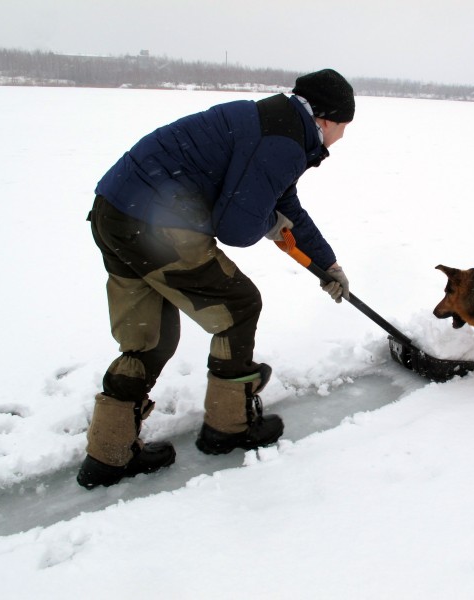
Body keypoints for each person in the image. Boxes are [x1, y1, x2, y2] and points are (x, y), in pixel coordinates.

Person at [77, 69, 354, 489]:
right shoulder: (284, 141)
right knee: (239, 307)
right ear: (328, 119)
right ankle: (229, 426)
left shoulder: (272, 122)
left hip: (114, 212)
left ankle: (108, 453)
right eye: (345, 127)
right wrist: (269, 220)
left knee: (147, 336)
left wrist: (326, 264)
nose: (342, 138)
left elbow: (283, 203)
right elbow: (238, 228)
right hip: (157, 224)